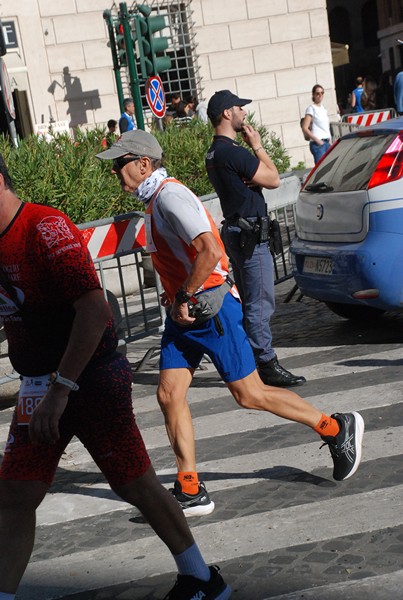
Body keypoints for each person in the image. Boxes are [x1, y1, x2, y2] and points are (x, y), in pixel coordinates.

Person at [96, 129, 365, 518]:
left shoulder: (170, 196)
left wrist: (186, 294)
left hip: (210, 309)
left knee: (250, 394)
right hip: (184, 313)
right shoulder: (155, 200)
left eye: (121, 164)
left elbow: (211, 250)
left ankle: (334, 427)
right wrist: (176, 296)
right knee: (170, 394)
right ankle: (189, 486)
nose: (116, 173)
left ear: (143, 164)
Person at [0, 155, 231, 600]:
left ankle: (202, 579)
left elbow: (93, 309)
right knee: (13, 494)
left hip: (88, 379)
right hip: (38, 387)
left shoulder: (44, 228)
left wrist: (62, 390)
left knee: (134, 483)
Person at [206, 89, 305, 387]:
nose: (244, 113)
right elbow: (273, 179)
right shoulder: (233, 152)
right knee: (259, 302)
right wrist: (258, 147)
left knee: (250, 299)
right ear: (227, 113)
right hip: (249, 234)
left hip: (237, 231)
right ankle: (265, 363)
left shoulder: (214, 153)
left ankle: (251, 359)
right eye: (239, 108)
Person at [302, 84, 331, 164]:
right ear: (313, 95)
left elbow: (325, 127)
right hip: (318, 144)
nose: (320, 95)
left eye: (322, 93)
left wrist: (329, 140)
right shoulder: (311, 108)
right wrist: (317, 141)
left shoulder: (323, 108)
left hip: (326, 142)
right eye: (317, 93)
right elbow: (305, 127)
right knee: (322, 170)